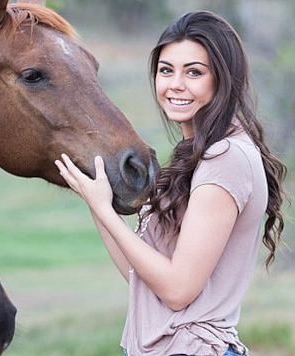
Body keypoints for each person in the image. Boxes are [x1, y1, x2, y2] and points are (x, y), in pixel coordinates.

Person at [55, 10, 287, 356]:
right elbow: (141, 278)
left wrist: (105, 208)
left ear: (223, 79)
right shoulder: (198, 153)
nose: (175, 84)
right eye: (166, 70)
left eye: (194, 72)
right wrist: (98, 205)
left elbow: (178, 290)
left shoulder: (225, 157)